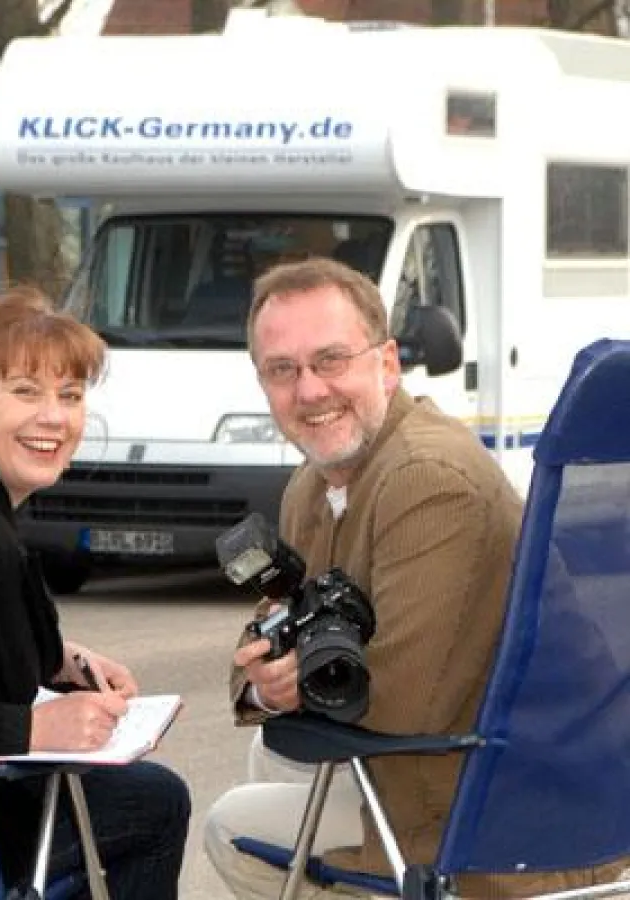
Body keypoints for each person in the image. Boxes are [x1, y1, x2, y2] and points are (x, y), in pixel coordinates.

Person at [203, 257, 624, 898]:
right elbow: (266, 636)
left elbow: (401, 704)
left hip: (508, 813)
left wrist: (292, 680)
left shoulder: (427, 479)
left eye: (331, 360)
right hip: (455, 767)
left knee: (231, 826)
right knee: (271, 753)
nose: (309, 391)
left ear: (388, 363)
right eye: (282, 370)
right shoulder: (312, 486)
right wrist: (264, 685)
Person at [0, 285, 191, 899]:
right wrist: (30, 731)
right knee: (156, 802)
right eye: (24, 391)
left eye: (70, 395)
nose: (54, 418)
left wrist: (56, 657)